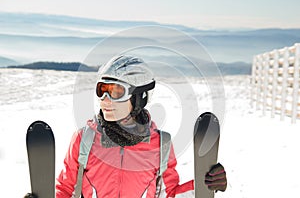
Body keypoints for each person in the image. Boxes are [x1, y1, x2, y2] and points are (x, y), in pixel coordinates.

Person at [25, 55, 227, 198]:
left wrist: (206, 185)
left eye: (115, 92)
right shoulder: (84, 139)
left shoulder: (160, 145)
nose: (105, 100)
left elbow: (170, 194)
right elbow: (65, 189)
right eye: (101, 90)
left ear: (139, 98)